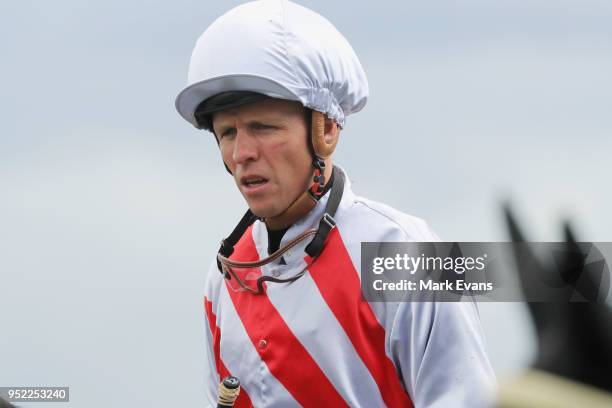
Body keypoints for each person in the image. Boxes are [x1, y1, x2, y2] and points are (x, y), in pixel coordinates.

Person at [175, 1, 495, 407]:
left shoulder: (407, 251)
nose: (241, 153)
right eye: (226, 133)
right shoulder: (225, 274)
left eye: (262, 127)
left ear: (326, 129)